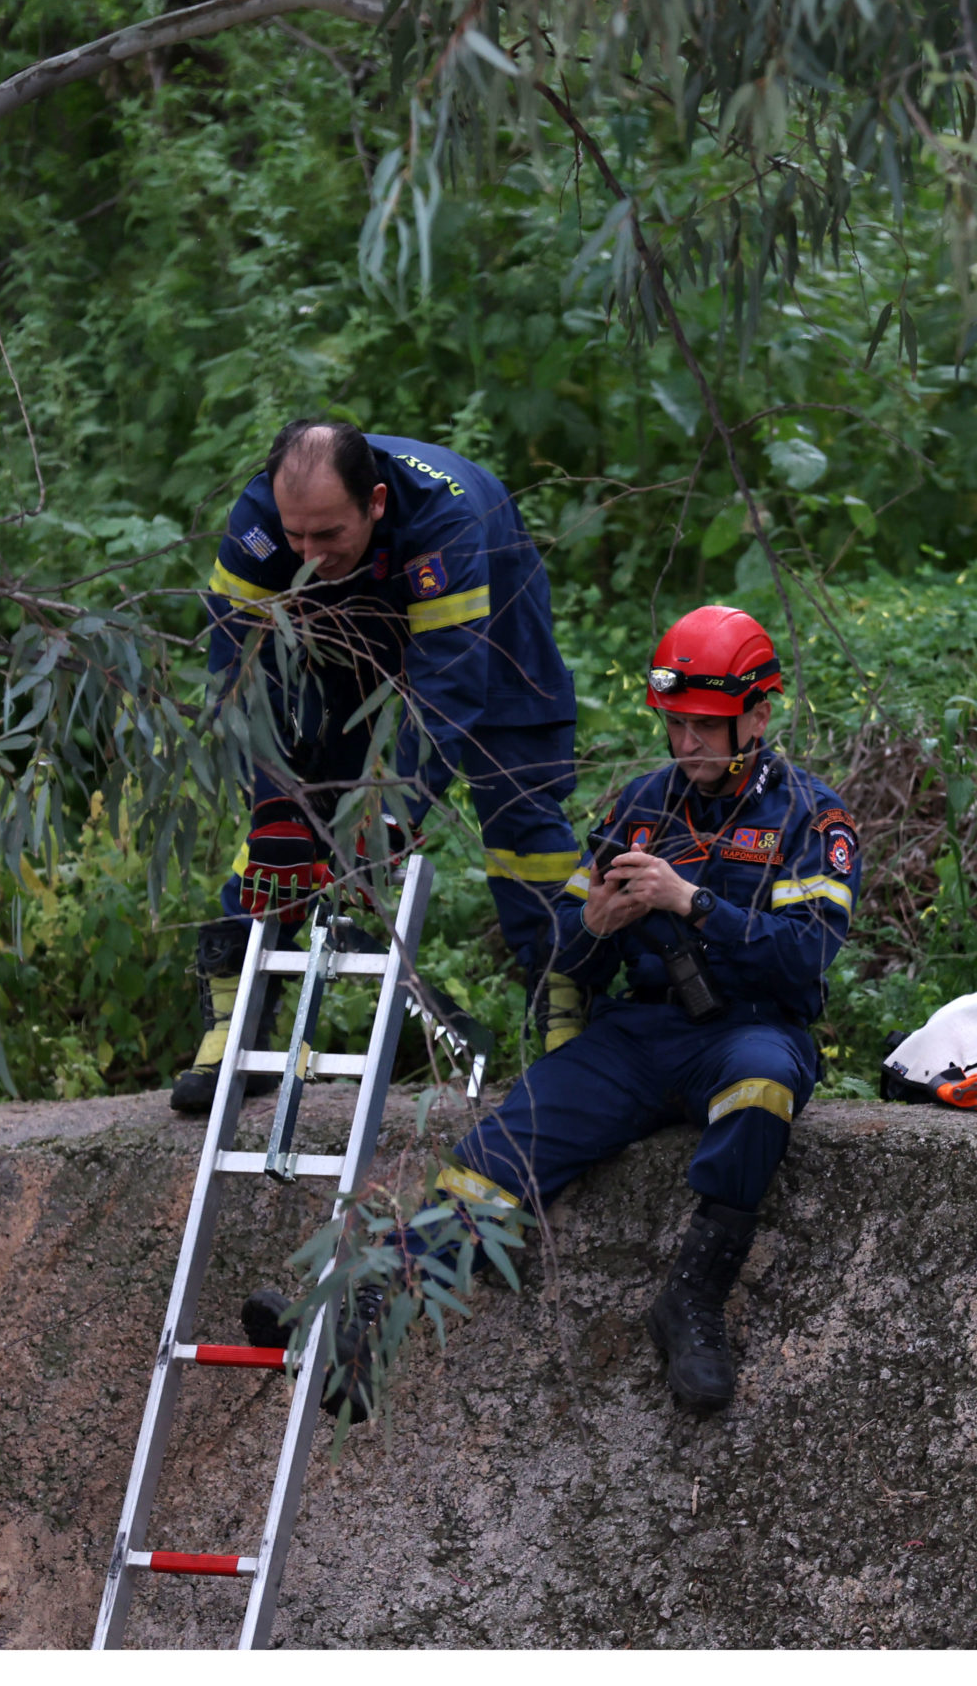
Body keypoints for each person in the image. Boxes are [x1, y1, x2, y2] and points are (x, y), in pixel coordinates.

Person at [342, 605, 862, 1416]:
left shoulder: (810, 815)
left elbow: (810, 953)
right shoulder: (639, 806)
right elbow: (562, 956)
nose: (686, 742)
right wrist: (591, 926)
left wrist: (692, 903)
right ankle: (377, 1298)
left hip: (751, 1027)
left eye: (705, 725)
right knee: (515, 1132)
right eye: (675, 723)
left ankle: (691, 1299)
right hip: (638, 1033)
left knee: (764, 1085)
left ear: (758, 714)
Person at [169, 421, 584, 1114]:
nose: (306, 554)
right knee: (290, 820)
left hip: (493, 618)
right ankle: (234, 1023)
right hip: (347, 628)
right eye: (296, 536)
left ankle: (570, 1017)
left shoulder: (447, 521)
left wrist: (388, 812)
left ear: (377, 503)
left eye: (327, 536)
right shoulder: (266, 523)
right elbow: (238, 676)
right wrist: (273, 797)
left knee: (523, 815)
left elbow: (445, 686)